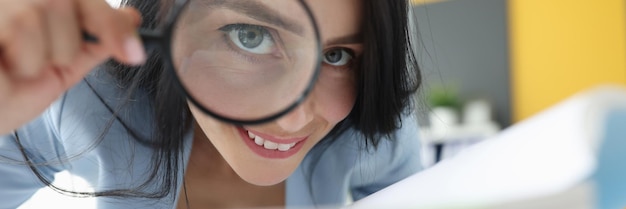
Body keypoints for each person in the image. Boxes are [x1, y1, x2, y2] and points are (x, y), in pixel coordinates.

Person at [0, 0, 423, 208]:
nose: (295, 117)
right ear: (168, 15)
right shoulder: (86, 95)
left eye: (337, 56)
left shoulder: (374, 123)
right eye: (250, 37)